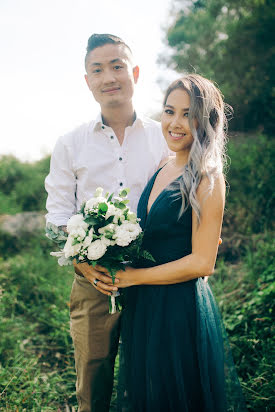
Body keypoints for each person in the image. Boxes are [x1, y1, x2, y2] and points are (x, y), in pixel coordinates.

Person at [97, 74, 247, 411]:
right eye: (169, 111)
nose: (175, 123)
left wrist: (134, 277)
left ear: (205, 120)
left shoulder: (208, 177)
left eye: (188, 113)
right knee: (148, 394)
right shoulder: (164, 165)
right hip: (144, 304)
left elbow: (202, 263)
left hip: (177, 306)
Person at [45, 33, 169, 412]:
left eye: (117, 66)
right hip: (92, 281)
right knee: (93, 373)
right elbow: (57, 216)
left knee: (150, 373)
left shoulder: (164, 136)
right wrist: (84, 263)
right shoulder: (70, 143)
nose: (108, 77)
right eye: (97, 70)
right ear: (88, 81)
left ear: (133, 73)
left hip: (154, 278)